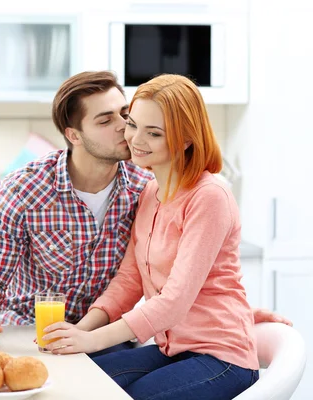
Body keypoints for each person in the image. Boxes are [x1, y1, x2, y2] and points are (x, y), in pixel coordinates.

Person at [0, 71, 291, 351]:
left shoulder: (146, 187)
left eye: (124, 115)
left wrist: (234, 312)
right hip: (28, 332)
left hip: (108, 337)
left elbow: (179, 279)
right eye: (106, 120)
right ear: (74, 135)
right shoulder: (24, 191)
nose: (124, 128)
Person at [40, 74, 260, 399]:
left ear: (186, 139)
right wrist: (80, 330)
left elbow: (174, 301)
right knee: (77, 379)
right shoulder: (150, 191)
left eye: (153, 133)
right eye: (132, 124)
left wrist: (93, 340)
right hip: (172, 349)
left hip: (222, 356)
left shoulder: (209, 196)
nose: (135, 139)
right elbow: (129, 280)